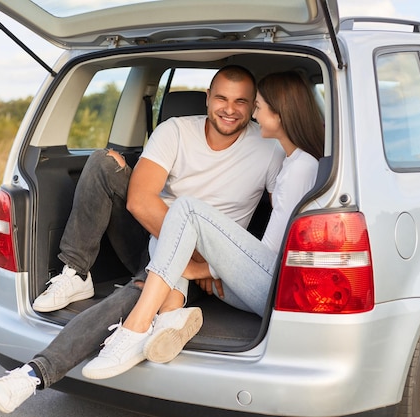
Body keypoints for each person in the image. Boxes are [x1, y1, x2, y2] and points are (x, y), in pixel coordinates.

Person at [0, 65, 286, 413]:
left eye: (241, 101)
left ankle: (34, 374)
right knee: (102, 163)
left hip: (209, 256)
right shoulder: (175, 130)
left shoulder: (269, 149)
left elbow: (282, 216)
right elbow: (140, 201)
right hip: (158, 238)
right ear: (207, 99)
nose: (229, 109)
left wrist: (213, 263)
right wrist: (189, 261)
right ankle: (77, 272)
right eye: (221, 98)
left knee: (143, 288)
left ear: (253, 107)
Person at [81, 71, 325, 379]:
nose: (254, 115)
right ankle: (170, 321)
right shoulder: (292, 161)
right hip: (249, 279)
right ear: (209, 97)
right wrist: (205, 263)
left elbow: (274, 254)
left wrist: (206, 268)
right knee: (170, 230)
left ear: (281, 114)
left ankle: (134, 329)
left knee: (184, 208)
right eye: (257, 106)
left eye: (256, 106)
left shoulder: (302, 167)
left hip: (272, 287)